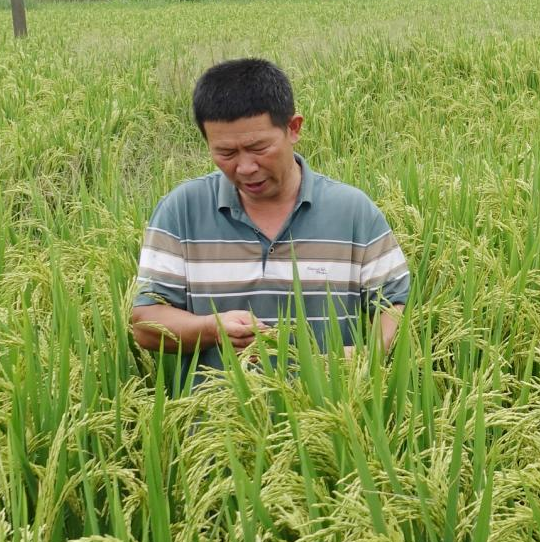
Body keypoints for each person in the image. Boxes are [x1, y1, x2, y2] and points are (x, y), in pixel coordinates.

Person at [130, 58, 410, 384]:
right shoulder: (181, 210)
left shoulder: (352, 211)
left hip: (326, 421)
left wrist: (366, 356)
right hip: (219, 426)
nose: (245, 167)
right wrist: (211, 329)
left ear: (293, 129)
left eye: (258, 147)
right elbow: (145, 324)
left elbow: (395, 305)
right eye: (226, 153)